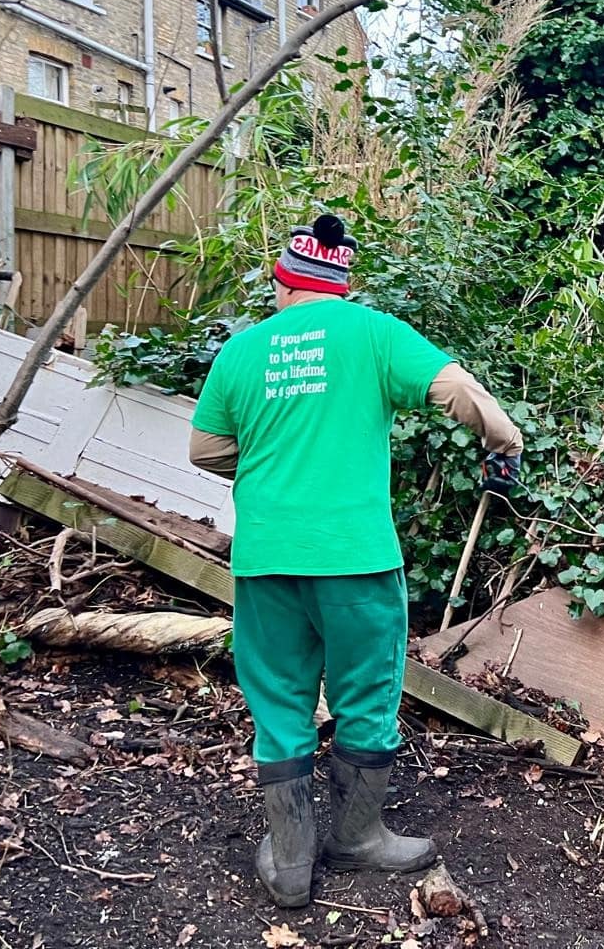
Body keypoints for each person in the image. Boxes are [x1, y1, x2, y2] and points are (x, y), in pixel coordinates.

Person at [187, 214, 523, 908]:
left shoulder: (241, 351)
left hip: (266, 559)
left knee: (279, 698)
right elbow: (460, 393)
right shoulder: (373, 334)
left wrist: (270, 463)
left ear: (282, 282)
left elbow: (206, 450)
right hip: (356, 558)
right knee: (366, 693)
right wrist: (505, 441)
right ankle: (357, 837)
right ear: (342, 284)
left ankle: (289, 861)